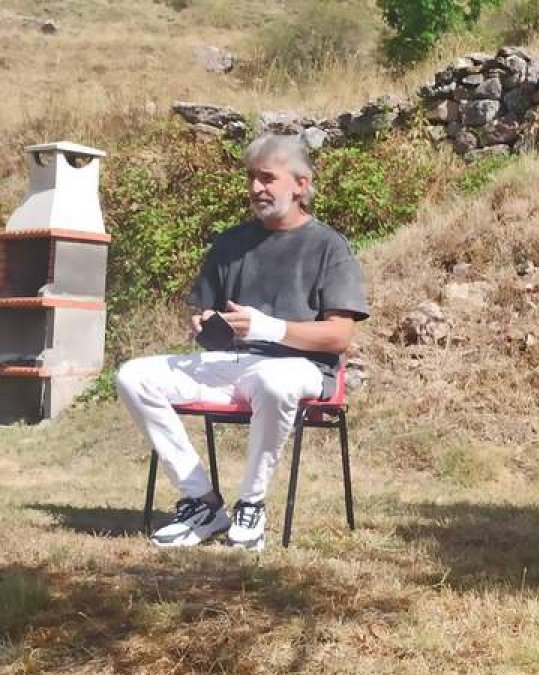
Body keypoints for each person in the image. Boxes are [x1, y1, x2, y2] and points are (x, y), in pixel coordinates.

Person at [116, 134, 369, 551]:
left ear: (301, 185)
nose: (256, 188)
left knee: (273, 379)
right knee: (134, 376)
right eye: (252, 178)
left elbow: (339, 336)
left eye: (268, 178)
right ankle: (201, 500)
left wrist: (267, 328)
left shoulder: (329, 246)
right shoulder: (230, 242)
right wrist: (202, 324)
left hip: (299, 369)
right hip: (231, 363)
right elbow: (203, 311)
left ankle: (251, 504)